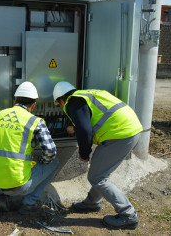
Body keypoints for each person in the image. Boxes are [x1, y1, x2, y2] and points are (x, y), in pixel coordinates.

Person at [53, 81, 142, 229]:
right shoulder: (87, 95)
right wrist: (76, 127)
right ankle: (91, 203)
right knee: (100, 173)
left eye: (59, 105)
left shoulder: (72, 102)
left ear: (61, 101)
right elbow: (91, 118)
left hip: (120, 134)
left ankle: (128, 215)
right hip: (130, 129)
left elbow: (85, 130)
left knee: (97, 177)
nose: (62, 108)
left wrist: (84, 154)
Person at [0, 81, 59, 215]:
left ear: (15, 101)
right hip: (18, 185)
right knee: (54, 163)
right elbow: (50, 151)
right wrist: (41, 161)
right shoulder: (35, 121)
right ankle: (29, 203)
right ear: (33, 105)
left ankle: (4, 196)